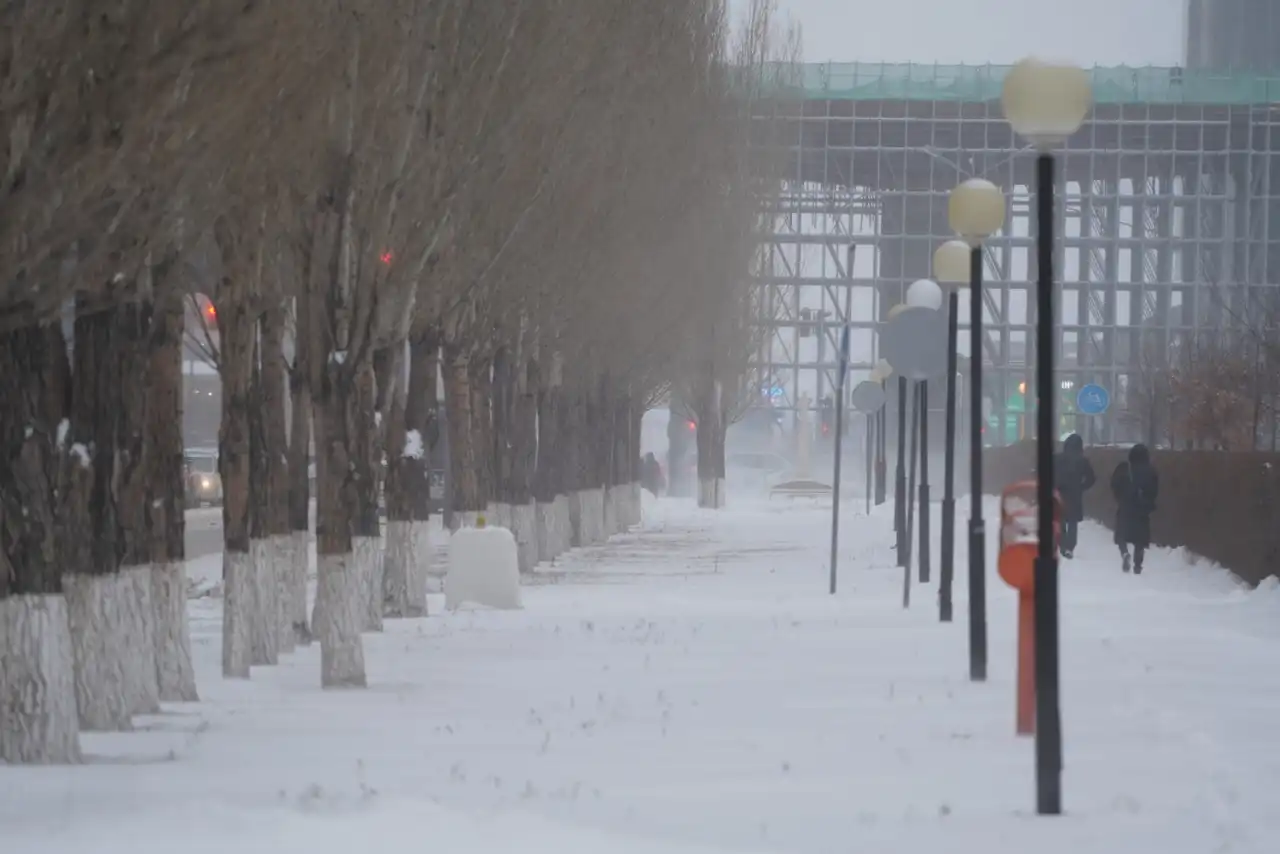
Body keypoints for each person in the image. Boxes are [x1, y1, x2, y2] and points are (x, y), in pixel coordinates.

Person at [1109, 444, 1159, 574]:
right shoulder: (1150, 471)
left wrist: (1120, 499)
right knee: (1140, 539)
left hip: (1125, 507)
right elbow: (1154, 490)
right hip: (1142, 509)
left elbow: (1114, 485)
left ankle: (1124, 552)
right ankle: (1138, 565)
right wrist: (1149, 503)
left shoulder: (1124, 468)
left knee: (1121, 534)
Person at [1054, 433, 1096, 559]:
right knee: (1072, 522)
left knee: (1060, 519)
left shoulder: (1057, 458)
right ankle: (1070, 547)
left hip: (1059, 493)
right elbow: (1091, 478)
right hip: (1075, 495)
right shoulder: (1083, 461)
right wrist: (1082, 487)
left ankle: (1062, 543)